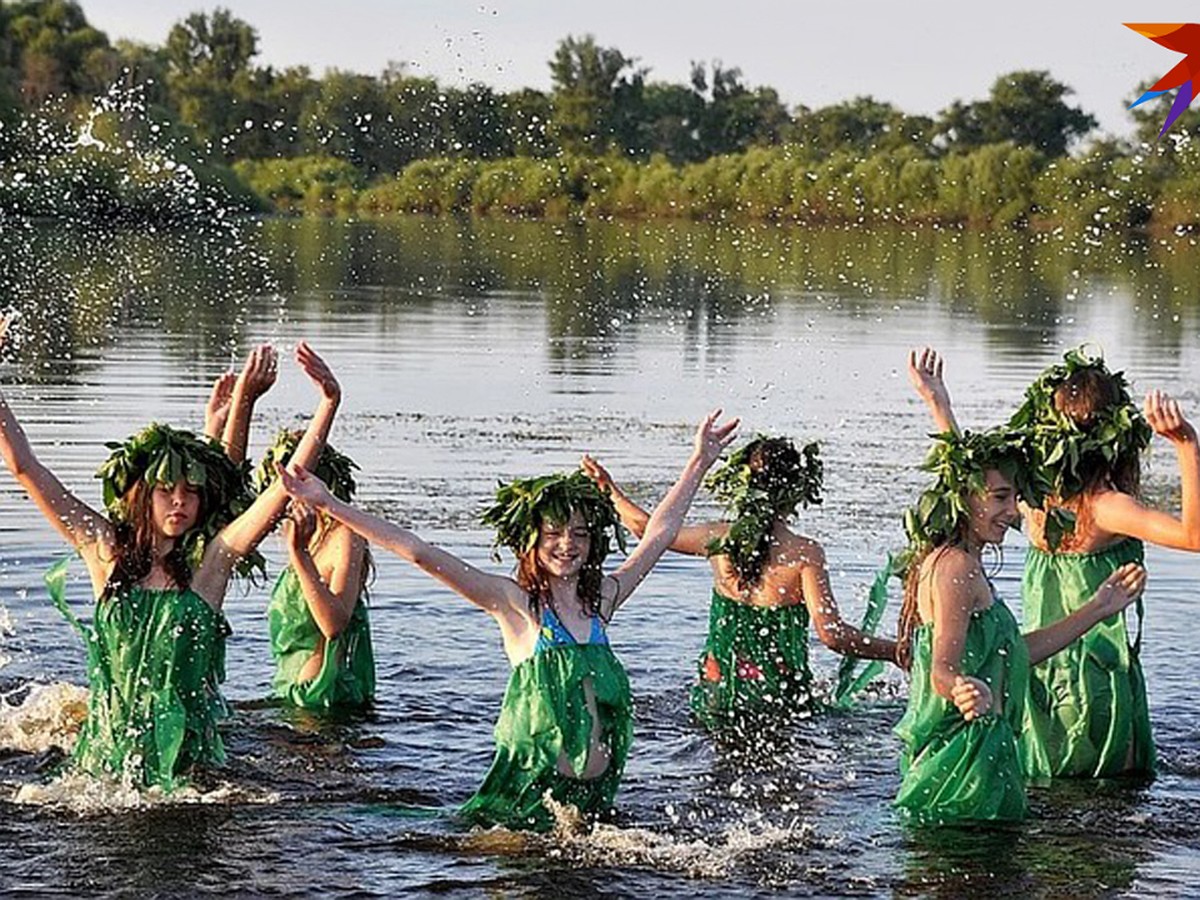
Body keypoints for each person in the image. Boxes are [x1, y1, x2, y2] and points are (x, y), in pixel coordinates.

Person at [274, 410, 738, 830]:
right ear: (530, 544)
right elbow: (418, 552)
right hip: (528, 804)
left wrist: (699, 461)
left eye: (579, 534)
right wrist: (330, 504)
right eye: (553, 533)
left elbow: (658, 535)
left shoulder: (603, 603)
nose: (567, 544)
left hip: (591, 803)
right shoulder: (513, 604)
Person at [0, 339, 342, 790]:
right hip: (104, 762)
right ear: (143, 494)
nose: (180, 500)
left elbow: (285, 488)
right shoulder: (103, 549)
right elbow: (26, 467)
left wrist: (329, 404)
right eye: (167, 490)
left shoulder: (212, 565)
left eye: (192, 491)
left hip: (190, 764)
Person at [908, 347, 1200, 779]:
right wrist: (1186, 446)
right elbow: (1193, 537)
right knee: (1103, 798)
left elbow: (975, 481)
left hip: (1030, 667)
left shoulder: (1030, 498)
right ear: (1117, 437)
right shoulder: (1105, 507)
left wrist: (939, 405)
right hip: (1095, 678)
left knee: (1041, 783)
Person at [893, 427, 1146, 825]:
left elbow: (1016, 653)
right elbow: (943, 668)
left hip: (981, 755)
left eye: (1014, 497)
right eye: (999, 498)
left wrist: (1099, 607)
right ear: (962, 496)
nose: (1012, 511)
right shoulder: (955, 568)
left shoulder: (962, 562)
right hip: (965, 767)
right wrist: (959, 687)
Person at [582, 436, 897, 730]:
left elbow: (648, 531)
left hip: (718, 692)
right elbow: (832, 635)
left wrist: (610, 490)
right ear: (799, 490)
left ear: (740, 486)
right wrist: (896, 651)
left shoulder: (720, 539)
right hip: (781, 699)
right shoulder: (805, 554)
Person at [255, 433, 374, 710]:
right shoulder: (302, 533)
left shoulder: (345, 536)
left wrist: (300, 554)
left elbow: (334, 625)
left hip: (323, 697)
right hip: (290, 692)